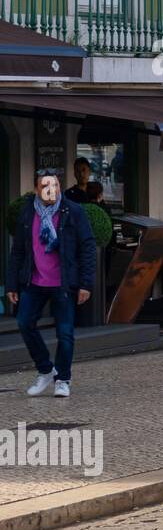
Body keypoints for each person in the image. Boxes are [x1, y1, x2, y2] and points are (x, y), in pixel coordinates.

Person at [5, 169, 97, 399]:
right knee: (25, 323)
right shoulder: (28, 213)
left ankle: (63, 379)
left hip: (63, 283)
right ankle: (46, 370)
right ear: (37, 189)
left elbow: (87, 247)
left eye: (54, 185)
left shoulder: (72, 211)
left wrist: (86, 283)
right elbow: (17, 252)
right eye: (44, 186)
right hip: (34, 281)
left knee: (65, 333)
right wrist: (12, 284)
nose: (50, 190)